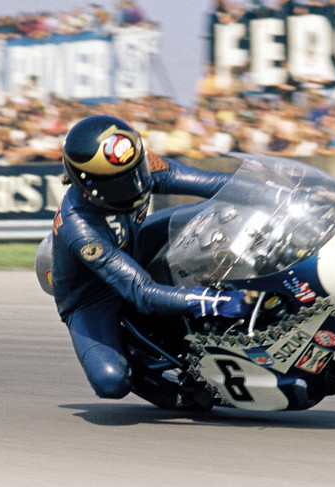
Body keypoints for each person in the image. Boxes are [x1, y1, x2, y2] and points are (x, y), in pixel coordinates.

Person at [46, 114, 253, 402]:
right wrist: (211, 303)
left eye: (136, 172)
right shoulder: (80, 228)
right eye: (120, 184)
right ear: (87, 185)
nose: (135, 185)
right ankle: (151, 375)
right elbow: (140, 292)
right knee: (111, 382)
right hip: (93, 297)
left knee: (216, 215)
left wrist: (276, 194)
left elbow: (213, 183)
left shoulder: (135, 164)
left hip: (135, 246)